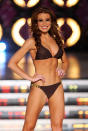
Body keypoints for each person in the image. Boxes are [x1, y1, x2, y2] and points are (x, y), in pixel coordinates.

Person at [8, 7, 69, 131]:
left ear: (51, 22)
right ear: (36, 23)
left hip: (57, 86)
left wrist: (63, 68)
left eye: (47, 20)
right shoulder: (31, 42)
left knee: (57, 126)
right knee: (29, 126)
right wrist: (30, 78)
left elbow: (65, 61)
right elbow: (12, 63)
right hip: (39, 87)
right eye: (40, 20)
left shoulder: (57, 40)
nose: (44, 23)